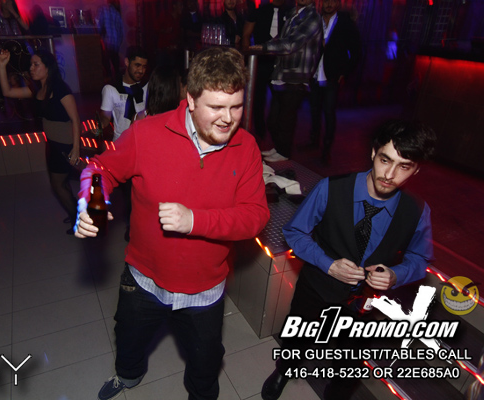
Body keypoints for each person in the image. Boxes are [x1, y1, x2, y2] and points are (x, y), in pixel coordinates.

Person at [74, 46, 269, 400]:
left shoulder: (247, 147)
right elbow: (100, 168)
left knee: (206, 362)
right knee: (128, 337)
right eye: (216, 107)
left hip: (205, 290)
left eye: (236, 107)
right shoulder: (147, 133)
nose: (228, 119)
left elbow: (255, 216)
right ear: (190, 99)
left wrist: (195, 220)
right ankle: (128, 375)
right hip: (144, 279)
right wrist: (93, 200)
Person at [261, 120, 437, 400]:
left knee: (352, 358)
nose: (390, 174)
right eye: (385, 160)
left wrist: (397, 274)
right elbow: (294, 232)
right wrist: (328, 264)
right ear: (373, 153)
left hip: (367, 304)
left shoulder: (416, 210)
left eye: (403, 166)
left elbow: (419, 257)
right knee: (298, 336)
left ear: (415, 170)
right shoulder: (330, 188)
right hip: (317, 288)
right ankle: (284, 370)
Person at [0, 48, 81, 232]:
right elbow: (7, 92)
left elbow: (75, 119)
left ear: (48, 67)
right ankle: (77, 214)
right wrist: (2, 65)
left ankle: (79, 220)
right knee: (62, 183)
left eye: (36, 65)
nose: (31, 68)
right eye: (31, 65)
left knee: (57, 184)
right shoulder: (37, 89)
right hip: (52, 143)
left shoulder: (60, 89)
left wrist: (76, 149)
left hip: (64, 144)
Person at [250, 0, 323, 162]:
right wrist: (266, 46)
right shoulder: (292, 14)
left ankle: (284, 152)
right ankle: (279, 147)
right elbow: (282, 39)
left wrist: (264, 47)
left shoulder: (312, 17)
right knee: (273, 119)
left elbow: (291, 44)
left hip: (297, 76)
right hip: (282, 73)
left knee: (285, 119)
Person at [307, 0, 361, 165]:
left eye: (333, 1)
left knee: (329, 112)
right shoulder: (315, 20)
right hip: (314, 72)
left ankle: (326, 150)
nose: (329, 4)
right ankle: (313, 141)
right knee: (314, 109)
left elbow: (357, 51)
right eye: (326, 1)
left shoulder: (345, 22)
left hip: (332, 75)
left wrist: (344, 72)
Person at [242, 0, 288, 155]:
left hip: (281, 63)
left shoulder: (290, 12)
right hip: (260, 62)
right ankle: (259, 135)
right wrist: (248, 58)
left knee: (281, 100)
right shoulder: (259, 11)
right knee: (258, 99)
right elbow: (246, 35)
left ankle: (278, 139)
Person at [99, 46, 149, 142]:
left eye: (144, 67)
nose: (141, 71)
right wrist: (101, 124)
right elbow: (105, 115)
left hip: (143, 140)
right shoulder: (111, 88)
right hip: (120, 141)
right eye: (137, 65)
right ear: (127, 62)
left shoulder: (147, 85)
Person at [97, 0, 124, 81]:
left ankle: (109, 81)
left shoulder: (103, 10)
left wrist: (100, 35)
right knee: (116, 66)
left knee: (106, 64)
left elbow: (99, 26)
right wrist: (118, 42)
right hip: (115, 43)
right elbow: (121, 31)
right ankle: (118, 83)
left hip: (106, 42)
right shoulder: (117, 13)